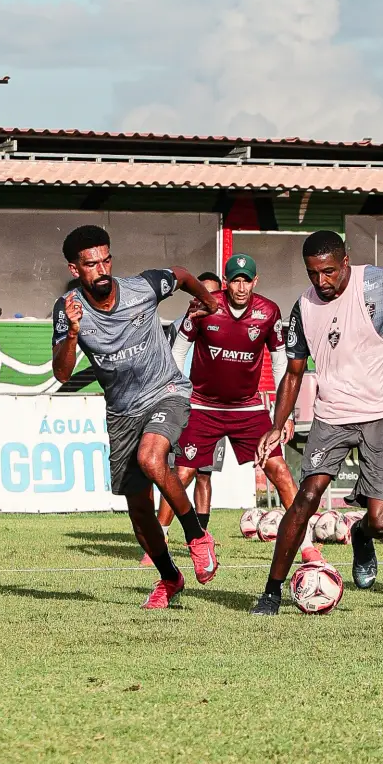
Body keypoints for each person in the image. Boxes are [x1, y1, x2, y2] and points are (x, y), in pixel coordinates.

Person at [249, 230, 383, 615]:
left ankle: (360, 535)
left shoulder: (380, 283)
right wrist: (278, 422)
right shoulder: (303, 308)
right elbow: (293, 372)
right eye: (312, 273)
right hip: (333, 417)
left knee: (381, 521)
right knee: (306, 498)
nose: (321, 282)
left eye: (328, 272)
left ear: (345, 261)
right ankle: (271, 591)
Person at [52, 225, 220, 610]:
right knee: (138, 509)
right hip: (122, 412)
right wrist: (74, 333)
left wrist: (208, 300)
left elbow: (180, 275)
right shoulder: (68, 310)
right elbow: (62, 373)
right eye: (91, 264)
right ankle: (170, 579)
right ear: (75, 269)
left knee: (151, 457)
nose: (102, 269)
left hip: (167, 391)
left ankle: (197, 537)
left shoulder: (142, 288)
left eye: (106, 259)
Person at [151, 254, 323, 565]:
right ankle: (158, 541)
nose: (241, 287)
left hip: (247, 408)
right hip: (202, 405)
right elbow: (178, 349)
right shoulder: (206, 306)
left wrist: (283, 416)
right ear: (227, 281)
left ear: (255, 282)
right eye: (235, 280)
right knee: (183, 472)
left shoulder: (269, 312)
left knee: (279, 470)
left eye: (247, 280)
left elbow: (282, 361)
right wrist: (177, 395)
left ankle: (307, 544)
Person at [140, 272, 225, 565]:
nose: (210, 300)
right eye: (204, 294)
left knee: (205, 475)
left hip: (215, 409)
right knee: (182, 473)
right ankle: (161, 536)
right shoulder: (179, 327)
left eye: (214, 295)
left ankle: (202, 537)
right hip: (186, 406)